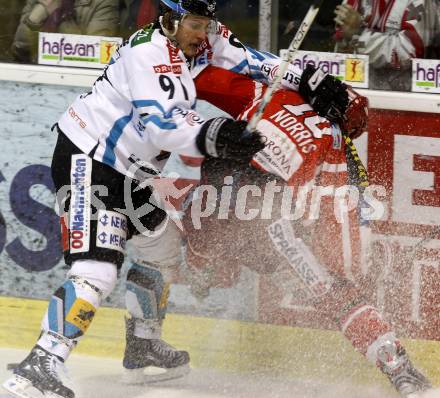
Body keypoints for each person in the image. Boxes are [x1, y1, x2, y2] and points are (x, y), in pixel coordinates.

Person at [2, 0, 352, 396]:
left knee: (162, 250)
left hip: (130, 172)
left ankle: (143, 344)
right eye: (196, 24)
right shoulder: (147, 54)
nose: (203, 34)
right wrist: (217, 134)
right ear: (169, 19)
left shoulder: (199, 39)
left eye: (207, 24)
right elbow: (163, 127)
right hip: (90, 159)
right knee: (97, 269)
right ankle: (40, 364)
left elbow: (252, 61)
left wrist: (308, 80)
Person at [175, 66, 432, 397]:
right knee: (334, 292)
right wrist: (339, 270)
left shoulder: (273, 92)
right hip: (265, 218)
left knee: (199, 232)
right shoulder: (332, 139)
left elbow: (203, 79)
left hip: (215, 195)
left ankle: (198, 271)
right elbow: (333, 214)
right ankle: (398, 368)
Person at [333, 0, 438, 91]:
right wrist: (349, 37)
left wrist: (359, 34)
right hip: (357, 91)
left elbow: (407, 54)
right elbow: (341, 48)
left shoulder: (420, 2)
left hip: (402, 101)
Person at [12, 0, 120, 63]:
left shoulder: (103, 2)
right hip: (34, 75)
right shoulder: (35, 1)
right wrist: (40, 12)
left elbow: (98, 57)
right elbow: (20, 48)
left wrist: (65, 19)